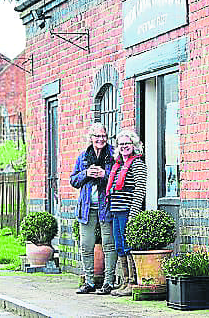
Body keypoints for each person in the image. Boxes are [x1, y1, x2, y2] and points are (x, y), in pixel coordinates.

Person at [70, 123, 117, 295]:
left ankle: (109, 282)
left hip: (107, 206)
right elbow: (73, 181)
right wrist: (86, 174)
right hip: (87, 208)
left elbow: (119, 177)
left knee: (109, 244)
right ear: (91, 138)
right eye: (97, 136)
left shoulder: (113, 154)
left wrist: (105, 175)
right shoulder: (83, 157)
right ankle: (89, 281)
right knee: (86, 244)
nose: (101, 139)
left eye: (103, 136)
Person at [106, 129, 147, 296]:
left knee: (129, 245)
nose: (124, 147)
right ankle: (125, 281)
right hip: (116, 211)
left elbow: (140, 189)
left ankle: (132, 282)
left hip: (127, 211)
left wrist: (134, 213)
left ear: (134, 145)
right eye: (121, 144)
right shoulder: (118, 165)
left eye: (127, 144)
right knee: (119, 246)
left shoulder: (137, 164)